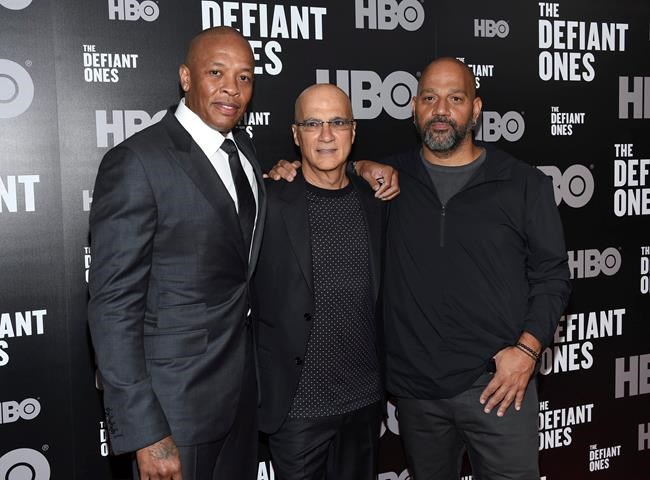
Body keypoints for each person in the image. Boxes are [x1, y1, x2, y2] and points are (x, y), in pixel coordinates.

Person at [269, 57, 571, 479]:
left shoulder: (523, 184)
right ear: (414, 108)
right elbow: (329, 164)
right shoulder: (390, 182)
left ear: (476, 109)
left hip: (499, 387)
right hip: (418, 397)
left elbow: (553, 276)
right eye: (429, 98)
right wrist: (352, 165)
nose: (441, 110)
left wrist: (527, 351)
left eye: (455, 98)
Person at [88, 27, 265, 480]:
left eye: (244, 77)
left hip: (242, 398)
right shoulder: (137, 161)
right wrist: (146, 431)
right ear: (186, 77)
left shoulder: (244, 151)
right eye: (216, 73)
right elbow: (113, 306)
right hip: (174, 409)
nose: (232, 88)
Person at [252, 84, 385, 479]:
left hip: (364, 403)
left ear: (353, 131)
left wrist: (363, 167)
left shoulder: (377, 202)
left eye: (337, 122)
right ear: (296, 135)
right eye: (312, 124)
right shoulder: (267, 201)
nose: (326, 135)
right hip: (297, 411)